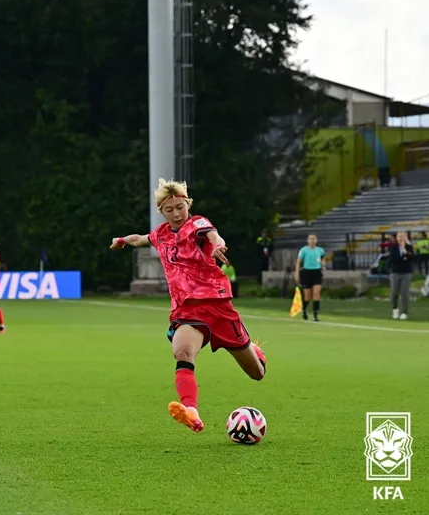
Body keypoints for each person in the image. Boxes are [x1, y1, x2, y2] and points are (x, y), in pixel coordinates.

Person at [109, 179, 266, 433]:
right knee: (182, 352)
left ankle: (256, 352)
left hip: (217, 306)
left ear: (188, 204)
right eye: (169, 209)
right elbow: (140, 239)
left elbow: (213, 235)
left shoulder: (197, 224)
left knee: (257, 373)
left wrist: (218, 245)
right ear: (161, 211)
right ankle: (191, 410)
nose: (176, 213)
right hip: (187, 310)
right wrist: (122, 240)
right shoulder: (160, 234)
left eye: (180, 207)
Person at [295, 234, 325, 322]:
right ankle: (304, 309)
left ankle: (315, 315)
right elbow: (298, 262)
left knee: (316, 293)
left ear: (316, 240)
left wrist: (323, 265)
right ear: (308, 240)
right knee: (307, 296)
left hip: (317, 272)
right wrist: (297, 274)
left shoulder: (320, 250)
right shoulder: (303, 250)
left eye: (314, 239)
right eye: (310, 239)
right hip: (306, 272)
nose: (312, 240)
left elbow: (323, 259)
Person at [389, 231, 414, 320]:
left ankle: (404, 312)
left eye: (403, 236)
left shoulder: (409, 247)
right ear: (397, 238)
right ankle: (395, 309)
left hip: (406, 273)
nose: (401, 238)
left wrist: (404, 250)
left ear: (406, 238)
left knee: (404, 293)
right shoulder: (393, 247)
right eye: (399, 236)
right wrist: (404, 258)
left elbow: (411, 258)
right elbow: (393, 259)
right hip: (395, 272)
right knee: (394, 292)